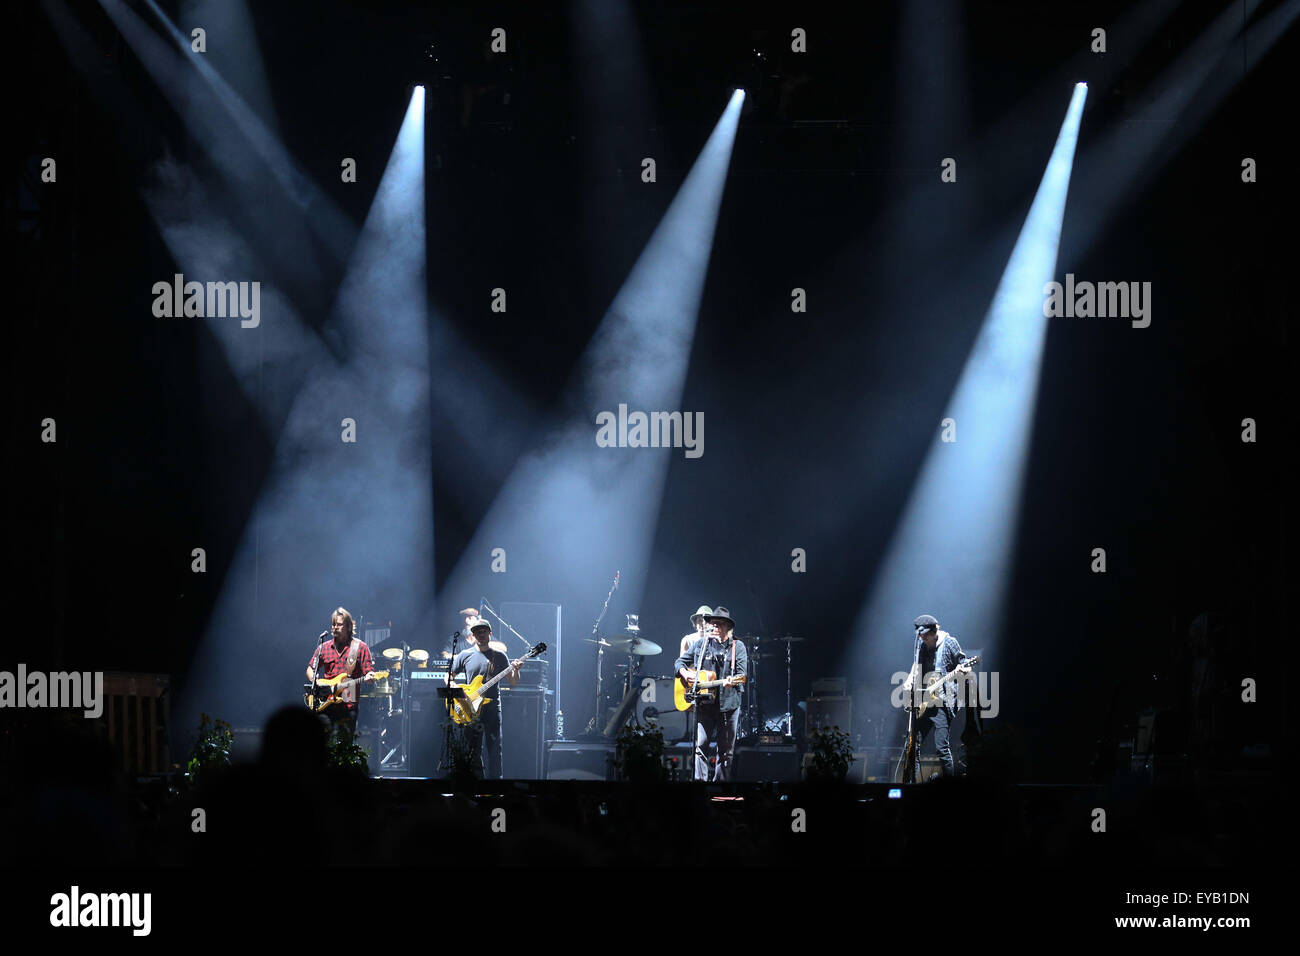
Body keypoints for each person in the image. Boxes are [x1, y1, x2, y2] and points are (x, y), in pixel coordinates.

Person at [675, 606, 747, 782]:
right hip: (704, 705)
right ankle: (700, 785)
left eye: (718, 624)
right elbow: (679, 662)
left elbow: (742, 675)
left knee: (725, 752)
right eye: (712, 624)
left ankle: (719, 786)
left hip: (728, 705)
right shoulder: (702, 644)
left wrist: (731, 681)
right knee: (700, 747)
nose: (714, 627)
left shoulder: (738, 647)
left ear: (727, 628)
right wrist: (685, 673)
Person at [447, 617, 519, 778]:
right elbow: (448, 678)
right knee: (473, 750)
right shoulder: (464, 655)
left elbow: (513, 681)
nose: (481, 634)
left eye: (484, 631)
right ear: (473, 635)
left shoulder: (499, 656)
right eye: (477, 632)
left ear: (490, 634)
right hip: (470, 709)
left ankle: (496, 786)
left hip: (492, 709)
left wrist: (516, 669)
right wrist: (458, 690)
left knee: (494, 749)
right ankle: (476, 784)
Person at [901, 613, 971, 779]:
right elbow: (916, 666)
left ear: (934, 631)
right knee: (913, 746)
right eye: (920, 634)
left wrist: (962, 670)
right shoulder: (921, 645)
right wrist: (909, 681)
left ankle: (948, 787)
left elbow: (964, 664)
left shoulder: (949, 643)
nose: (922, 637)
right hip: (924, 702)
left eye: (925, 634)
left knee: (941, 748)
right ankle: (911, 783)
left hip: (942, 704)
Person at [305, 607, 376, 735]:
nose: (334, 627)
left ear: (348, 626)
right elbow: (310, 668)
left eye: (339, 624)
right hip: (325, 704)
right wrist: (315, 680)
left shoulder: (360, 647)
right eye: (333, 624)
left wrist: (370, 677)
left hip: (348, 706)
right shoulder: (324, 648)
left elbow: (368, 673)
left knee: (345, 747)